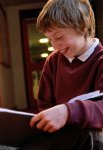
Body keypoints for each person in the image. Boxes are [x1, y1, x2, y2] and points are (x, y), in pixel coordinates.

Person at [21, 0, 103, 149]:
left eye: (59, 37)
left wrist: (68, 112)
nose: (54, 46)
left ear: (83, 27)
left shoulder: (100, 61)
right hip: (63, 136)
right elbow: (45, 105)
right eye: (50, 39)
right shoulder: (53, 61)